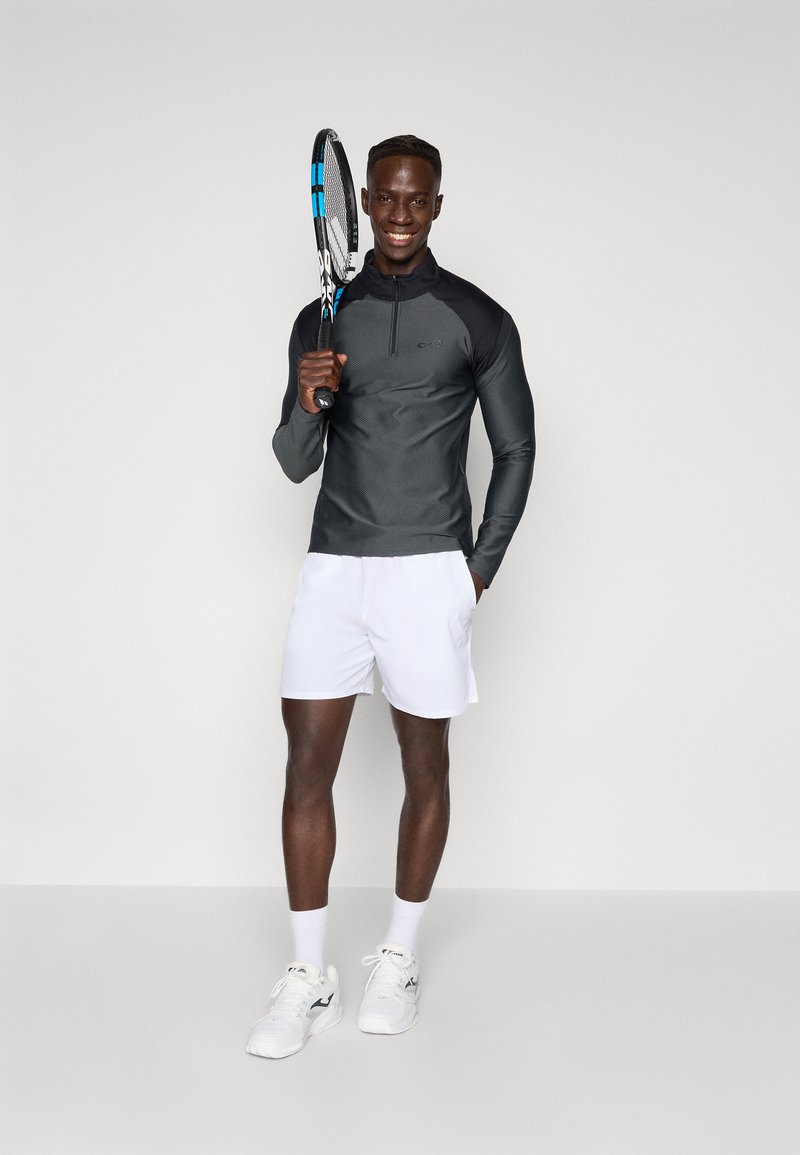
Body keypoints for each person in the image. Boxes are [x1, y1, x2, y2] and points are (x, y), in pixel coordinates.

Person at [246, 135, 535, 1059]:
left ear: (437, 205)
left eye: (418, 200)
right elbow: (293, 463)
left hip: (429, 571)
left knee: (425, 766)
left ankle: (399, 957)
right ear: (364, 202)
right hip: (335, 567)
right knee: (305, 767)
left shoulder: (477, 317)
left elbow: (517, 449)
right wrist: (308, 399)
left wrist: (477, 569)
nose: (401, 215)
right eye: (387, 198)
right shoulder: (321, 319)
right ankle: (308, 975)